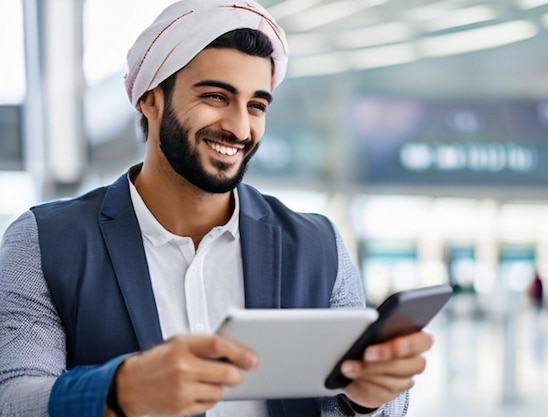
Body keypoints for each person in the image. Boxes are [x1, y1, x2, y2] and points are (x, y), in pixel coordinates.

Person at [0, 1, 435, 416]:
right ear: (150, 99)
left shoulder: (319, 246)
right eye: (215, 96)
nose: (240, 127)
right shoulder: (44, 241)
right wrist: (121, 390)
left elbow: (366, 411)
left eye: (256, 105)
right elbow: (13, 397)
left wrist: (366, 397)